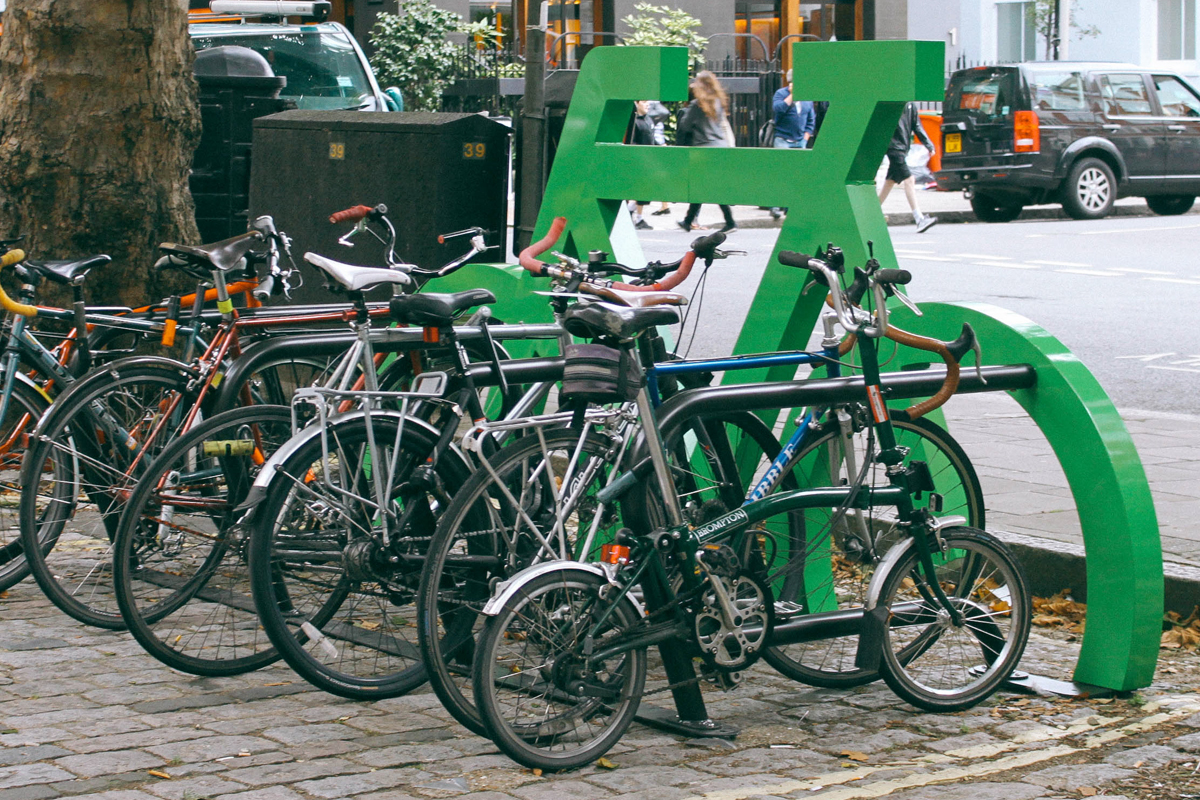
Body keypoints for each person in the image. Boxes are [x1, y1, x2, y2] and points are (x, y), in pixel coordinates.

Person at [675, 71, 737, 234]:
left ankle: (730, 222)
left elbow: (685, 125)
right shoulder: (718, 102)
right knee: (704, 185)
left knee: (705, 186)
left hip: (704, 150)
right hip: (719, 148)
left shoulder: (697, 104)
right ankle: (688, 220)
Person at [879, 102, 939, 233]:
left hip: (901, 148)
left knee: (890, 182)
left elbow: (917, 126)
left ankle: (871, 213)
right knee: (909, 180)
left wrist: (929, 145)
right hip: (894, 148)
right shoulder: (892, 104)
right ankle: (919, 219)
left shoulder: (911, 105)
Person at [627, 101, 656, 230]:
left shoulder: (648, 119)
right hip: (639, 160)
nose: (647, 104)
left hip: (649, 159)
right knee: (640, 189)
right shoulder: (634, 122)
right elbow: (632, 142)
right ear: (637, 103)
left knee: (644, 190)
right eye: (644, 102)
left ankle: (633, 212)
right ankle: (636, 216)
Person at [771, 69, 815, 149]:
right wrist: (792, 95)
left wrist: (805, 139)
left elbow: (811, 121)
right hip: (782, 141)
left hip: (801, 141)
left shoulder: (807, 97)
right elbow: (778, 109)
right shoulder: (780, 93)